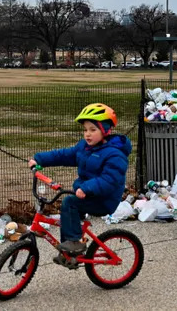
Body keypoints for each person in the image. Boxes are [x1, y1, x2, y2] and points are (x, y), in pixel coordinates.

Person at [28, 103, 131, 259]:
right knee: (68, 212)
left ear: (105, 131)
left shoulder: (115, 155)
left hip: (104, 199)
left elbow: (109, 180)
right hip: (87, 193)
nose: (87, 134)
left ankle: (74, 244)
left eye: (93, 130)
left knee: (70, 203)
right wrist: (39, 159)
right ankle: (69, 251)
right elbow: (64, 155)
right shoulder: (85, 147)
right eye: (85, 130)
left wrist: (87, 188)